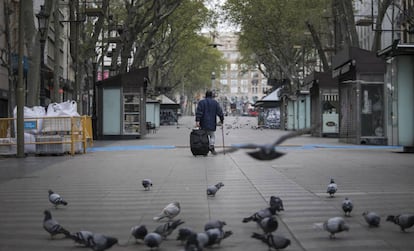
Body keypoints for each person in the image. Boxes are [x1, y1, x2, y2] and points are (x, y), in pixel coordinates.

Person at [195, 90, 224, 155]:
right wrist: (222, 120)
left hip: (203, 123)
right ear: (211, 95)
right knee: (212, 135)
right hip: (212, 123)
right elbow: (220, 112)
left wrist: (197, 121)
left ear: (206, 95)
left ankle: (204, 149)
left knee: (203, 136)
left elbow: (199, 112)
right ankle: (211, 146)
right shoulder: (215, 103)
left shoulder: (201, 102)